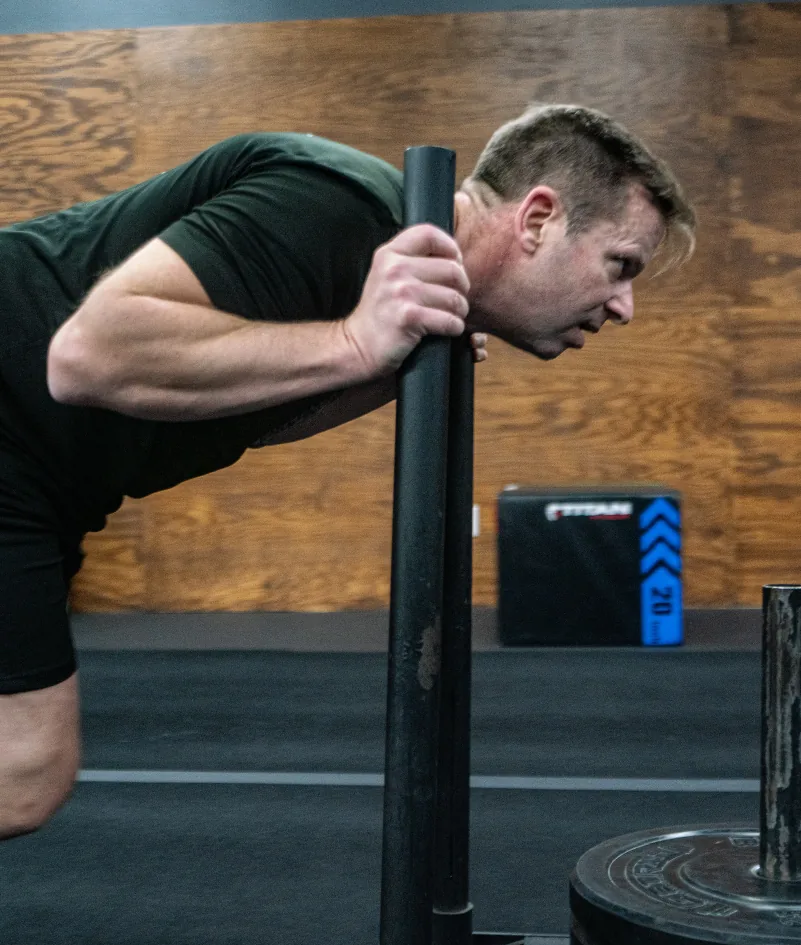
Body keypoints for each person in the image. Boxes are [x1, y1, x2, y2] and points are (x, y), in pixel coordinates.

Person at [0, 103, 695, 840]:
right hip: (17, 427)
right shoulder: (337, 202)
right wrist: (355, 346)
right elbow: (85, 360)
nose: (623, 306)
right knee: (24, 770)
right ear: (536, 221)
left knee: (23, 771)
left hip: (39, 481)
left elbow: (236, 411)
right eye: (619, 265)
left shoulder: (405, 292)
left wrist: (386, 369)